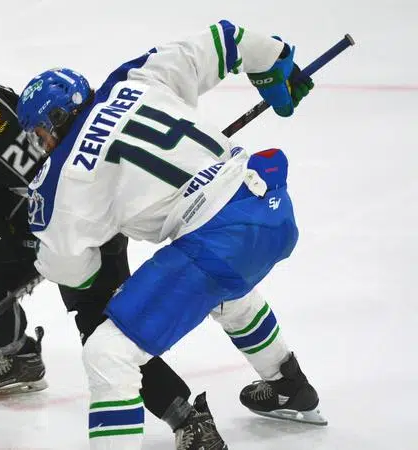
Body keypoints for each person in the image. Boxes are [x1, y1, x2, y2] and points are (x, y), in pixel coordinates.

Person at [0, 44, 223, 443]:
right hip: (29, 229)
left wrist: (11, 221)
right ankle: (22, 358)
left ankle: (189, 418)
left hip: (82, 221)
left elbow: (51, 177)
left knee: (104, 331)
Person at [17, 20, 326, 449]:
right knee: (221, 287)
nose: (42, 144)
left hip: (218, 240)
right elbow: (224, 39)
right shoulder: (133, 78)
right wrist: (273, 62)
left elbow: (73, 270)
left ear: (53, 121)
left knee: (107, 353)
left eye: (39, 133)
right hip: (267, 204)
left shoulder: (65, 175)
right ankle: (289, 385)